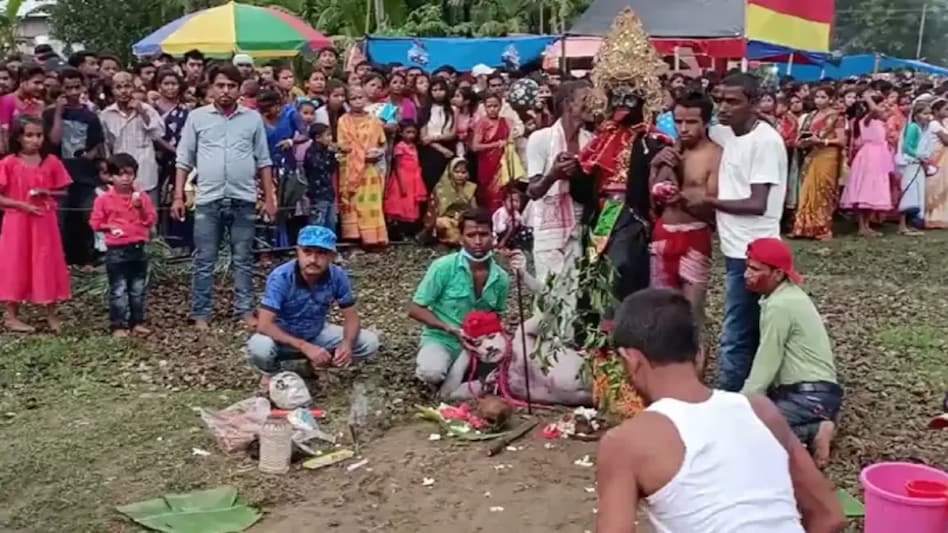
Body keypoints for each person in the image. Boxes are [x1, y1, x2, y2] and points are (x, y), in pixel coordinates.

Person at [595, 288, 846, 533]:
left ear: (631, 360)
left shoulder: (625, 443)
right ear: (701, 354)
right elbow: (830, 517)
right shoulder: (760, 411)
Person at [677, 73, 787, 392]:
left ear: (753, 103)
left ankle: (730, 399)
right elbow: (691, 128)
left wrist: (707, 200)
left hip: (754, 252)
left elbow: (757, 202)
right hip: (735, 247)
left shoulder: (765, 142)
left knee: (735, 332)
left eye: (733, 101)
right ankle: (755, 391)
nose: (723, 108)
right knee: (749, 327)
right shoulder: (727, 133)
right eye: (720, 100)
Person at [172, 63, 276, 330]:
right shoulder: (197, 118)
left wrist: (269, 196)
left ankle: (245, 310)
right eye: (220, 85)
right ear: (211, 88)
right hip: (208, 198)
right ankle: (201, 312)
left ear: (239, 88)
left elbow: (263, 160)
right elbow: (183, 160)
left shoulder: (252, 118)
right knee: (204, 258)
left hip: (243, 197)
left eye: (231, 85)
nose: (226, 91)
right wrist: (178, 196)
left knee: (243, 258)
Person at [741, 238, 842, 467]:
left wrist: (742, 404)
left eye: (755, 269)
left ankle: (809, 431)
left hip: (805, 396)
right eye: (747, 267)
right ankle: (817, 426)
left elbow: (767, 360)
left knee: (748, 433)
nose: (747, 274)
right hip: (821, 394)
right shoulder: (785, 296)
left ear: (777, 274)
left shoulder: (780, 306)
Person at [247, 225, 379, 386]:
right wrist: (304, 346)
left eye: (321, 253)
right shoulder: (281, 277)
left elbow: (352, 318)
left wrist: (346, 344)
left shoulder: (337, 276)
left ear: (331, 255)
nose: (313, 260)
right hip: (281, 337)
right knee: (260, 346)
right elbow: (264, 324)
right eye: (307, 252)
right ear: (298, 251)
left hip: (315, 331)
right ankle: (271, 372)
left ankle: (317, 365)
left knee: (369, 342)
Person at [409, 207, 509, 389]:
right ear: (461, 238)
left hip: (478, 343)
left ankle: (466, 374)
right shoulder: (443, 267)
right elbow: (415, 309)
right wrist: (449, 328)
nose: (478, 241)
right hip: (442, 339)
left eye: (484, 234)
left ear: (493, 236)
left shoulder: (501, 277)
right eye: (471, 235)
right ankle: (433, 372)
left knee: (508, 361)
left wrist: (489, 339)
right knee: (432, 372)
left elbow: (497, 316)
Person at [648, 91, 719, 328]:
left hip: (695, 237)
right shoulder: (669, 151)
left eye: (691, 122)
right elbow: (651, 199)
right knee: (662, 311)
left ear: (706, 122)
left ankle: (696, 364)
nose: (683, 128)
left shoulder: (715, 155)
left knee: (692, 314)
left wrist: (682, 198)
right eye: (678, 122)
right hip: (662, 234)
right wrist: (655, 167)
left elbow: (713, 208)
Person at [0, 116, 72, 333]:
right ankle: (11, 315)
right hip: (17, 221)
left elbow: (64, 190)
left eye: (39, 135)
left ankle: (51, 313)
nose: (35, 140)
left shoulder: (51, 161)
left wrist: (47, 192)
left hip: (44, 220)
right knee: (15, 263)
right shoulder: (8, 163)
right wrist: (22, 205)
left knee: (46, 262)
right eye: (29, 135)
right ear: (19, 137)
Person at [525, 80, 593, 284]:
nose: (593, 105)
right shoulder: (541, 139)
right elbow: (533, 191)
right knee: (550, 296)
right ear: (568, 104)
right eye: (586, 100)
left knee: (577, 295)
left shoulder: (591, 141)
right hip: (549, 228)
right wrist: (553, 174)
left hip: (581, 226)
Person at [89, 153, 158, 337]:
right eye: (120, 174)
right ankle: (118, 325)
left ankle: (137, 321)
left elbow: (150, 219)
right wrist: (109, 226)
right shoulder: (103, 199)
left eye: (130, 174)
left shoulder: (141, 197)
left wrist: (140, 207)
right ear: (111, 177)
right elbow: (95, 223)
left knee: (138, 289)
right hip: (116, 250)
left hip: (138, 247)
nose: (126, 178)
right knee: (118, 289)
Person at [43, 67, 105, 271]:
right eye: (68, 88)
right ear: (61, 89)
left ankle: (87, 258)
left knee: (86, 215)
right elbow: (53, 139)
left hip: (84, 175)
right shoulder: (51, 114)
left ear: (83, 87)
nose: (73, 92)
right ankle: (62, 260)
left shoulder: (90, 116)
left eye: (76, 87)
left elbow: (97, 143)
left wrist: (91, 155)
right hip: (59, 175)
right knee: (62, 218)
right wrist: (59, 112)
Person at [100, 71, 165, 207]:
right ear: (112, 90)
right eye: (119, 87)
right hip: (119, 175)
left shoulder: (147, 109)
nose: (124, 91)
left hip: (146, 174)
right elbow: (106, 145)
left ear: (133, 88)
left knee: (150, 221)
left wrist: (141, 112)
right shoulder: (106, 115)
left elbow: (158, 134)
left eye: (127, 86)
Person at [791, 86, 845, 240]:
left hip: (827, 155)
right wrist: (802, 142)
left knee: (823, 191)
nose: (819, 100)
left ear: (831, 99)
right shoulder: (811, 116)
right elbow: (803, 135)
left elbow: (841, 140)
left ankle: (823, 229)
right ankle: (804, 227)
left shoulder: (837, 117)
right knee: (807, 189)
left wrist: (822, 141)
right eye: (817, 97)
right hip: (810, 154)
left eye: (823, 97)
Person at [337, 85, 388, 246]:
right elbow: (343, 145)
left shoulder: (374, 120)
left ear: (365, 99)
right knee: (354, 202)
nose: (358, 101)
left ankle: (373, 238)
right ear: (347, 101)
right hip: (351, 169)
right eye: (353, 98)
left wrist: (377, 154)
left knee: (370, 202)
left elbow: (382, 143)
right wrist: (360, 157)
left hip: (371, 168)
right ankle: (354, 237)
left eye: (360, 97)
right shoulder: (343, 121)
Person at [840, 91, 893, 237]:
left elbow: (885, 112)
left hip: (879, 156)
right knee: (866, 188)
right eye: (880, 105)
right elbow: (875, 110)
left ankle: (867, 224)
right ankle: (862, 226)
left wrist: (885, 106)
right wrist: (869, 98)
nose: (883, 108)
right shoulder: (866, 120)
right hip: (869, 156)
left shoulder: (880, 122)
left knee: (875, 188)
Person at [472, 94, 519, 212]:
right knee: (489, 195)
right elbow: (475, 147)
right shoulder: (482, 123)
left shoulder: (507, 121)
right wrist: (495, 144)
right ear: (485, 107)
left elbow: (511, 141)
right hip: (487, 164)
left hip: (503, 163)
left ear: (501, 106)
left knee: (503, 193)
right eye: (489, 106)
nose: (492, 109)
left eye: (495, 106)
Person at [384, 119, 426, 238]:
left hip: (413, 179)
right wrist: (402, 185)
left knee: (410, 205)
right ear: (401, 133)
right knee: (400, 205)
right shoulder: (399, 147)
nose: (411, 135)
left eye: (413, 132)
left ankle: (407, 231)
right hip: (402, 179)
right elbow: (397, 167)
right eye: (408, 132)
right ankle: (396, 232)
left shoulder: (413, 146)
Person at [421, 157, 478, 245]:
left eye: (463, 172)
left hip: (463, 221)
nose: (460, 175)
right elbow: (434, 212)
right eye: (457, 172)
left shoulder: (470, 188)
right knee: (441, 223)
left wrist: (463, 218)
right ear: (450, 172)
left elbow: (474, 210)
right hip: (445, 221)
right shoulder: (441, 188)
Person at [896, 99, 931, 235]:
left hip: (918, 163)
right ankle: (902, 225)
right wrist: (919, 156)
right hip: (911, 163)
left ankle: (908, 224)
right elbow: (906, 147)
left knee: (915, 193)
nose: (927, 117)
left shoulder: (922, 129)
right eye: (924, 114)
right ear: (916, 115)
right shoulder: (913, 127)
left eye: (929, 114)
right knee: (909, 192)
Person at [419, 78, 457, 193]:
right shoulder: (424, 110)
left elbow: (452, 133)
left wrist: (434, 138)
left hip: (449, 147)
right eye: (434, 90)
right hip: (430, 151)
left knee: (448, 185)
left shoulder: (453, 109)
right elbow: (423, 138)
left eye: (441, 89)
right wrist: (441, 149)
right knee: (431, 183)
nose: (438, 93)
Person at [0, 64, 45, 153]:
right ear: (22, 81)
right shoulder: (6, 101)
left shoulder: (38, 104)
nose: (41, 87)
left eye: (42, 83)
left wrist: (40, 112)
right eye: (36, 83)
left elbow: (40, 133)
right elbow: (4, 135)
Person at [302, 123, 338, 230]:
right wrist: (332, 155)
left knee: (330, 222)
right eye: (327, 135)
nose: (330, 138)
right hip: (317, 193)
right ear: (317, 138)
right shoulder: (311, 152)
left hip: (328, 193)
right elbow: (319, 166)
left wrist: (334, 157)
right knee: (317, 223)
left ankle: (328, 245)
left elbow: (331, 169)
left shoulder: (327, 151)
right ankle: (314, 246)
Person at [923, 98, 948, 228]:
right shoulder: (934, 124)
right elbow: (946, 141)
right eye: (945, 109)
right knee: (935, 186)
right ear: (936, 111)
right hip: (937, 157)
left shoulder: (943, 123)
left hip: (944, 157)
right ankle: (932, 216)